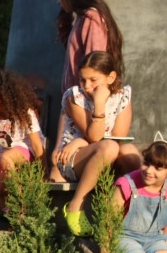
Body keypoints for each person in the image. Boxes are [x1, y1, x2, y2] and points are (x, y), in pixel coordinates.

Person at [50, 51, 137, 236]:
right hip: (73, 158)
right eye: (82, 80)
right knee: (109, 147)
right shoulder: (75, 97)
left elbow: (119, 136)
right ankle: (76, 205)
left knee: (130, 152)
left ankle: (126, 210)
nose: (87, 86)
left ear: (111, 77)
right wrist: (99, 102)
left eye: (93, 80)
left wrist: (81, 141)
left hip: (104, 153)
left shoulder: (122, 95)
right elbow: (96, 137)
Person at [104, 141, 167, 253]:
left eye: (158, 168)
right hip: (125, 239)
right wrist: (105, 251)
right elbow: (108, 219)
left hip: (154, 239)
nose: (149, 170)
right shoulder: (127, 184)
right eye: (146, 163)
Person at [0, 69, 46, 210]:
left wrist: (44, 173)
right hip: (5, 157)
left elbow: (36, 144)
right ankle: (11, 225)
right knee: (1, 191)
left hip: (28, 152)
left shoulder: (24, 112)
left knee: (6, 158)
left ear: (5, 98)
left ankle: (20, 206)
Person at [55, 0, 124, 93]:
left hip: (86, 99)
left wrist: (91, 102)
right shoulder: (82, 18)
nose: (58, 1)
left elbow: (95, 65)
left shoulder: (92, 19)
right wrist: (64, 21)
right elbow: (72, 51)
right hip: (76, 97)